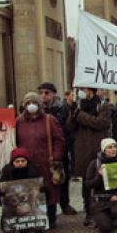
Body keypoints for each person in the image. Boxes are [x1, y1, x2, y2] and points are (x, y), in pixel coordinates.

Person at [15, 92, 66, 230]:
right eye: (28, 103)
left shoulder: (49, 120)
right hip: (27, 163)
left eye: (34, 103)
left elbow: (59, 140)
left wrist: (56, 156)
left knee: (49, 190)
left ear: (39, 105)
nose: (31, 106)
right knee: (30, 191)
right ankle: (32, 218)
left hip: (46, 161)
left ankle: (51, 217)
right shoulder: (19, 122)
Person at [68, 87, 112, 225]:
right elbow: (69, 127)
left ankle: (104, 209)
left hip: (98, 150)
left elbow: (100, 123)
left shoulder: (103, 106)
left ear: (90, 91)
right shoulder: (79, 107)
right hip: (83, 150)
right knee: (86, 184)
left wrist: (79, 114)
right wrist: (73, 113)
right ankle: (88, 211)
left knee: (102, 180)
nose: (80, 92)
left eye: (83, 89)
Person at [0, 147, 45, 233]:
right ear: (12, 162)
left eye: (23, 161)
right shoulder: (6, 175)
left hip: (31, 219)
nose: (20, 163)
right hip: (12, 220)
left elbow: (44, 197)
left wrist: (41, 190)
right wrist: (1, 195)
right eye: (17, 161)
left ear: (27, 161)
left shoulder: (34, 173)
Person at [39, 82, 77, 216]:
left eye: (46, 93)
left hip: (60, 147)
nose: (43, 95)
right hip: (43, 149)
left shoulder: (63, 108)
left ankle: (64, 203)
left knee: (61, 177)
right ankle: (49, 206)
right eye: (41, 93)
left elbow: (67, 128)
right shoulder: (38, 109)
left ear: (53, 94)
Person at [86, 139, 117, 233]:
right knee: (106, 229)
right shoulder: (94, 164)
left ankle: (114, 218)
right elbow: (88, 184)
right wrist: (99, 176)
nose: (113, 149)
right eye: (110, 147)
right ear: (104, 150)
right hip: (100, 201)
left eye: (115, 147)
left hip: (114, 199)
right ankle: (101, 218)